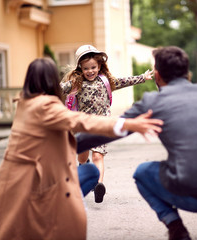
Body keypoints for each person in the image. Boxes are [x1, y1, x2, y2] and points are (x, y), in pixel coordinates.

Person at [76, 46, 197, 240]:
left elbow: (108, 131)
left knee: (142, 173)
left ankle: (177, 229)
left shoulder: (154, 102)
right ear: (187, 73)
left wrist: (67, 146)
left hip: (194, 196)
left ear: (157, 75)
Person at [0, 58, 163, 240]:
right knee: (85, 175)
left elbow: (77, 133)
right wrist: (127, 124)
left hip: (10, 181)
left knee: (89, 171)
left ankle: (60, 207)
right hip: (33, 183)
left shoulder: (24, 102)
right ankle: (58, 213)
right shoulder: (45, 106)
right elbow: (82, 121)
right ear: (51, 80)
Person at [61, 44, 154, 203]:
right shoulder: (76, 82)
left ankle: (98, 185)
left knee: (98, 156)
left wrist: (142, 78)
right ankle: (85, 169)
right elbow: (58, 89)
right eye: (86, 68)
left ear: (99, 66)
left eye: (93, 67)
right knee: (82, 157)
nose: (90, 71)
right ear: (80, 69)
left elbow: (124, 81)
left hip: (103, 126)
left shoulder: (106, 81)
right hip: (83, 125)